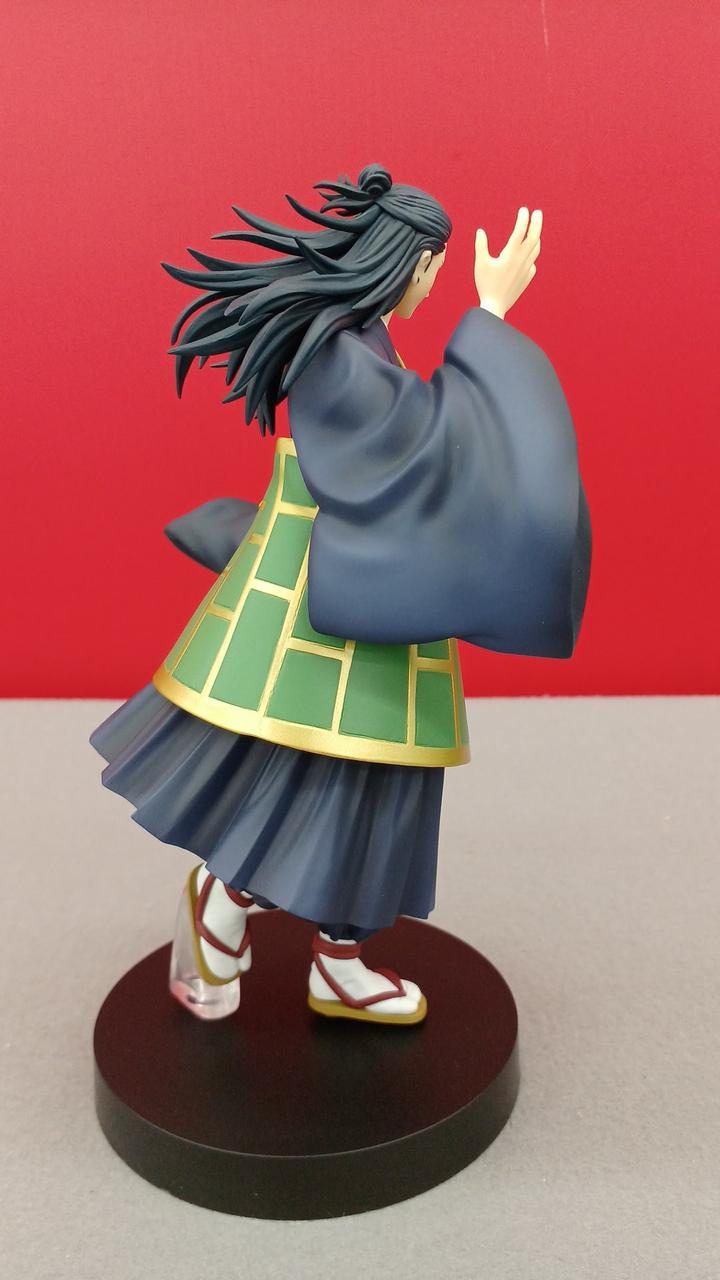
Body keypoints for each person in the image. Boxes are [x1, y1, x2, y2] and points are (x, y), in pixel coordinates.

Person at [89, 164, 591, 1026]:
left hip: (377, 599)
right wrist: (492, 316)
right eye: (431, 271)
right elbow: (418, 443)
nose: (431, 288)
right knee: (306, 780)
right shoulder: (338, 352)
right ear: (409, 262)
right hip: (323, 615)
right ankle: (221, 913)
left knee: (378, 791)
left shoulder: (364, 339)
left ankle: (338, 962)